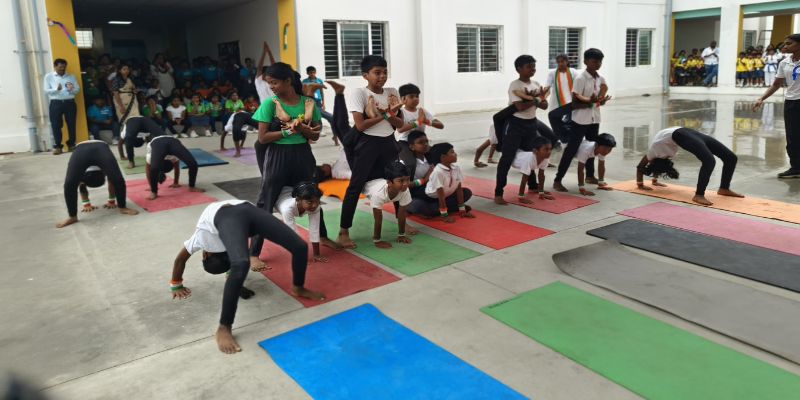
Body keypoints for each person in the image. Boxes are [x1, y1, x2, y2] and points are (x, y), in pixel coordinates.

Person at [170, 200, 324, 354]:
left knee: (298, 247)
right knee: (243, 262)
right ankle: (225, 326)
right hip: (243, 214)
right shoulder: (222, 245)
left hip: (231, 212)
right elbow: (234, 265)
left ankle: (298, 287)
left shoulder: (201, 238)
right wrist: (237, 286)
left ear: (205, 254)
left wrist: (176, 284)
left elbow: (180, 259)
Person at [249, 62, 324, 269]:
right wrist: (289, 131)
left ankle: (322, 237)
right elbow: (263, 138)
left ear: (288, 81)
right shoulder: (270, 104)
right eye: (269, 83)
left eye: (274, 82)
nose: (271, 86)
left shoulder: (308, 103)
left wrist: (302, 129)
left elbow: (315, 136)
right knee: (266, 203)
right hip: (278, 156)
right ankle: (254, 253)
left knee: (312, 196)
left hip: (303, 155)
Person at [337, 55, 404, 248]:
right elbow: (360, 125)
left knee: (397, 180)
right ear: (365, 75)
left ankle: (402, 224)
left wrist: (387, 114)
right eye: (377, 72)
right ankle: (343, 231)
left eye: (385, 72)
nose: (382, 76)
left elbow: (400, 124)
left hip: (388, 142)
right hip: (367, 144)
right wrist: (386, 114)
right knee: (355, 187)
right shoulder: (360, 93)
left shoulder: (392, 92)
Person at [635, 127, 743, 205]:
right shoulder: (659, 156)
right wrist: (654, 181)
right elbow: (658, 166)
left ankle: (724, 188)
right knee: (709, 161)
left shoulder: (653, 152)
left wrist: (640, 185)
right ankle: (699, 195)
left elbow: (640, 167)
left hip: (682, 133)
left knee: (730, 157)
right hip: (684, 133)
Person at [553, 48, 611, 193]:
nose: (598, 64)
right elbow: (574, 103)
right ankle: (557, 180)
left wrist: (601, 101)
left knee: (592, 147)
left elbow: (599, 98)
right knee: (571, 150)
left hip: (594, 119)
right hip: (580, 120)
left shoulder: (601, 79)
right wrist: (590, 102)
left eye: (600, 61)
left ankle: (590, 176)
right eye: (594, 61)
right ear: (586, 62)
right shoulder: (580, 79)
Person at [494, 55, 549, 205]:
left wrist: (537, 100)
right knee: (507, 158)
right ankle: (498, 193)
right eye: (529, 66)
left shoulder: (536, 84)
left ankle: (533, 186)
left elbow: (544, 105)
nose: (533, 69)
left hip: (531, 124)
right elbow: (519, 107)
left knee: (531, 155)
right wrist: (536, 100)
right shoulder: (515, 85)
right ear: (519, 69)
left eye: (533, 66)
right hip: (515, 125)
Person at [57, 140, 138, 228]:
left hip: (99, 146)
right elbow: (113, 181)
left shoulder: (104, 170)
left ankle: (122, 207)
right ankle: (72, 216)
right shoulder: (82, 175)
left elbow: (113, 180)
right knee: (69, 184)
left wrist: (111, 201)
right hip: (83, 149)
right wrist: (86, 204)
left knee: (117, 179)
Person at [753, 33, 800, 179]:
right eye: (785, 43)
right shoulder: (784, 63)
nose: (785, 46)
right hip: (791, 102)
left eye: (789, 43)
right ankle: (796, 168)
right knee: (792, 137)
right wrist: (762, 98)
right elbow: (776, 84)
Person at [408, 142, 475, 221]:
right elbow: (441, 195)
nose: (455, 154)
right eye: (452, 152)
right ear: (443, 157)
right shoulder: (438, 172)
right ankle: (443, 209)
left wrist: (462, 210)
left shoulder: (456, 168)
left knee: (467, 192)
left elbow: (459, 189)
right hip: (429, 197)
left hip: (444, 196)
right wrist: (444, 215)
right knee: (418, 205)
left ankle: (439, 209)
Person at [362, 161, 414, 248]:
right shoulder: (378, 194)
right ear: (389, 183)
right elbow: (378, 220)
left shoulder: (405, 190)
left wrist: (401, 235)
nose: (405, 184)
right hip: (365, 181)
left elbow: (402, 214)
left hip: (378, 179)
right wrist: (377, 241)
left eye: (408, 179)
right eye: (401, 181)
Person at [276, 182, 327, 262]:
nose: (314, 205)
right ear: (298, 200)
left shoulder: (315, 206)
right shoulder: (287, 209)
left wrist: (316, 254)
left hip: (289, 190)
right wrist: (300, 256)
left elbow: (315, 229)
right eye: (310, 202)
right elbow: (293, 234)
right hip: (278, 195)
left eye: (317, 201)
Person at [145, 135, 204, 200]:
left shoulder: (173, 157)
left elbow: (148, 170)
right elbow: (149, 170)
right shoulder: (151, 155)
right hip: (158, 142)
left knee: (193, 164)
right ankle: (154, 192)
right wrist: (151, 186)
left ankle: (192, 187)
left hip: (171, 140)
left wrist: (176, 183)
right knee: (154, 168)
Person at [45, 58, 80, 154]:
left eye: (64, 67)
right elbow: (46, 90)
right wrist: (56, 89)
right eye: (60, 67)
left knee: (71, 124)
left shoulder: (71, 77)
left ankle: (72, 144)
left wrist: (72, 89)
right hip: (56, 103)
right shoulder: (49, 76)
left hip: (70, 102)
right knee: (56, 125)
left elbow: (77, 90)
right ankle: (58, 146)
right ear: (55, 66)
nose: (62, 69)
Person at [546, 54, 578, 144]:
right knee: (555, 120)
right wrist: (543, 96)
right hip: (557, 103)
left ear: (567, 62)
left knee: (571, 121)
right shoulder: (552, 73)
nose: (560, 63)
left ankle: (569, 139)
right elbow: (547, 87)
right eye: (558, 62)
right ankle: (563, 138)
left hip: (571, 102)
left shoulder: (573, 72)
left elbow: (578, 86)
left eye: (562, 61)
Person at [512, 136, 555, 203]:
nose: (549, 152)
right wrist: (521, 197)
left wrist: (541, 193)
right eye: (546, 149)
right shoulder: (529, 160)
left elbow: (541, 175)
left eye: (550, 149)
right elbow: (524, 179)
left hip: (520, 151)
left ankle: (536, 190)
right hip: (512, 157)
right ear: (535, 151)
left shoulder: (545, 158)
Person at [399, 130, 433, 198]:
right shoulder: (407, 163)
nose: (425, 144)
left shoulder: (431, 158)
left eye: (426, 141)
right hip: (415, 193)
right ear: (412, 147)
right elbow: (403, 185)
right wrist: (424, 180)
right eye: (420, 142)